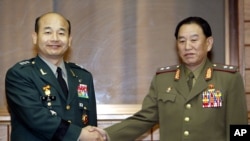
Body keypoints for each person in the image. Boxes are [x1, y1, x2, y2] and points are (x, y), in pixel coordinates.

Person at [96, 16, 248, 141]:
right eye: (182, 41)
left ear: (208, 43)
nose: (187, 46)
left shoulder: (228, 79)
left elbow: (239, 129)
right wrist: (106, 134)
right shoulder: (163, 79)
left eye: (194, 40)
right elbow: (144, 119)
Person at [5, 12, 106, 141]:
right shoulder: (20, 74)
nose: (55, 38)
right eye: (48, 32)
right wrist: (79, 134)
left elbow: (90, 124)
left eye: (61, 33)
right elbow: (37, 118)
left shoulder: (83, 77)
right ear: (35, 37)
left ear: (69, 40)